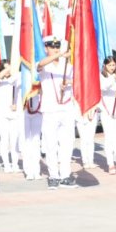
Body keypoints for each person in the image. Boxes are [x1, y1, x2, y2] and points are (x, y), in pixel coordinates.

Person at [37, 35, 78, 189]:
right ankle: (53, 175)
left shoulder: (67, 65)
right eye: (52, 47)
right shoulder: (45, 64)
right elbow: (40, 65)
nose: (55, 49)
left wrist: (68, 82)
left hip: (66, 108)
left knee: (67, 143)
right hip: (50, 109)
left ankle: (65, 175)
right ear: (46, 48)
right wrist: (60, 54)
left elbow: (78, 80)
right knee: (50, 144)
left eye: (57, 46)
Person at [0, 59, 20, 173]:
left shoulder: (15, 79)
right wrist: (8, 68)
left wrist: (16, 105)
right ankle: (7, 164)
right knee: (4, 140)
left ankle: (15, 163)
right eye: (6, 68)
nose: (8, 71)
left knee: (14, 140)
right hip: (1, 113)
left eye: (10, 68)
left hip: (13, 113)